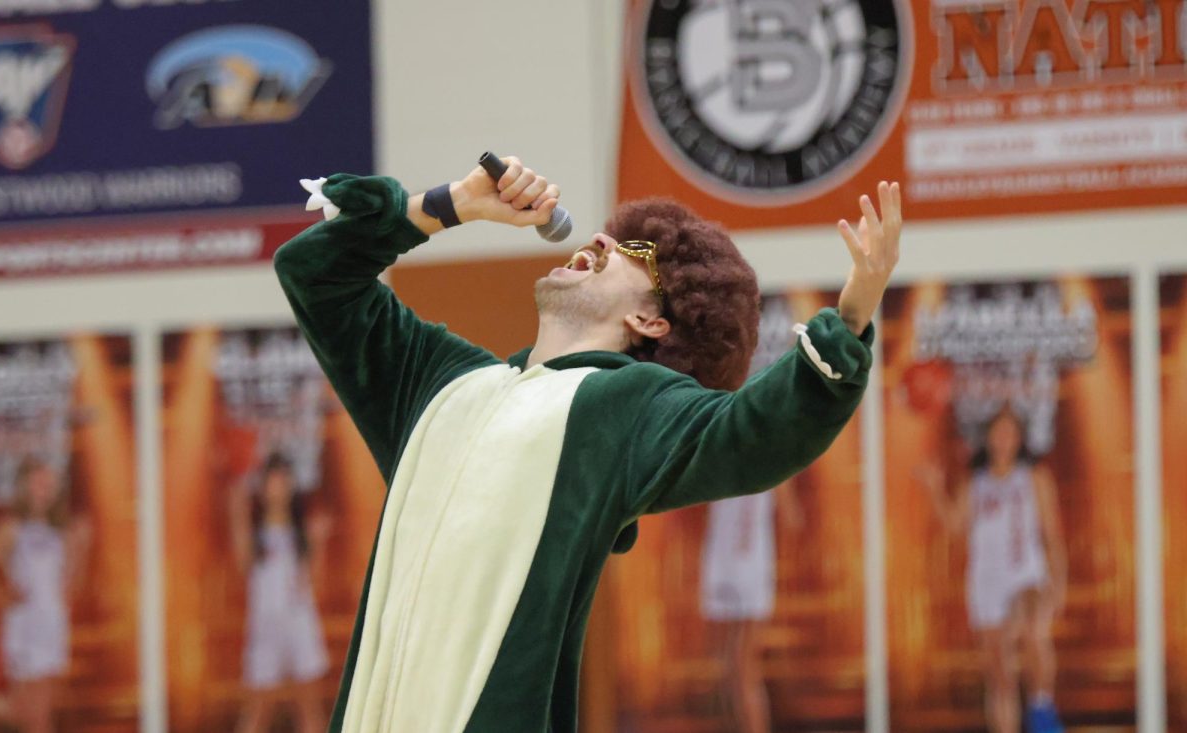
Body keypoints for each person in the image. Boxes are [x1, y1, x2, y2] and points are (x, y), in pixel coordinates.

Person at [274, 155, 901, 732]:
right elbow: (315, 272)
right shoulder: (438, 384)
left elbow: (755, 434)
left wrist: (848, 322)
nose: (600, 239)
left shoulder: (623, 409)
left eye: (635, 251)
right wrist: (456, 203)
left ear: (651, 322)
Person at [919, 407, 1068, 733]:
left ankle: (1042, 706)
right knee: (999, 675)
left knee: (1032, 629)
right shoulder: (977, 483)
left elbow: (1052, 534)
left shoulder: (1034, 478)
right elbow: (955, 526)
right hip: (987, 583)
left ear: (1019, 440)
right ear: (987, 439)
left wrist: (1059, 582)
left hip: (1026, 573)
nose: (1003, 440)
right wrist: (934, 490)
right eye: (997, 434)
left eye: (1009, 434)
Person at [229, 452, 332, 733]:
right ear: (262, 487)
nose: (278, 488)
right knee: (258, 709)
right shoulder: (256, 534)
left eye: (283, 481)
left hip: (300, 622)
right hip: (265, 626)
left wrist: (319, 543)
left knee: (309, 708)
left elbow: (314, 584)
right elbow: (242, 565)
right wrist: (236, 510)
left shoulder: (303, 532)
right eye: (272, 481)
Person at [0, 457, 91, 733]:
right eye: (39, 481)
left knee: (35, 714)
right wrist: (1, 595)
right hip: (25, 625)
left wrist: (81, 551)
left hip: (53, 626)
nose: (46, 487)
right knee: (34, 717)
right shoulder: (12, 529)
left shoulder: (62, 531)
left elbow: (71, 588)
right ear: (24, 486)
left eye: (51, 482)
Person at [700, 482, 802, 733]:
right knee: (730, 667)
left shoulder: (770, 457)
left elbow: (792, 516)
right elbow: (792, 517)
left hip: (747, 562)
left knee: (742, 668)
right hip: (726, 559)